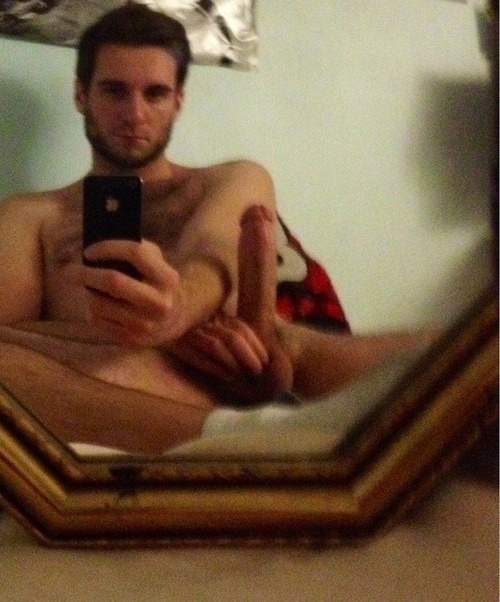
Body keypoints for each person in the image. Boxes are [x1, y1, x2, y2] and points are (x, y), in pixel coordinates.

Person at [0, 3, 437, 454]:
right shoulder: (31, 217)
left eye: (155, 94)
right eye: (114, 91)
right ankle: (263, 439)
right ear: (81, 96)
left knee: (454, 355)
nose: (135, 113)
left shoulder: (230, 180)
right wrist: (165, 340)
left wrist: (175, 311)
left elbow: (215, 250)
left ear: (178, 102)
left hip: (243, 373)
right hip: (110, 390)